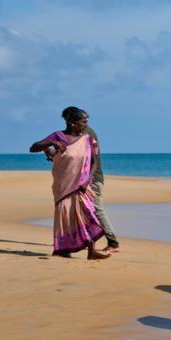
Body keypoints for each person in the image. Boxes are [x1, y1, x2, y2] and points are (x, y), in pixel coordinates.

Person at [29, 107, 111, 260]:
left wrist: (87, 180)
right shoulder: (58, 136)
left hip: (82, 185)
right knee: (66, 216)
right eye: (83, 122)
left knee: (87, 214)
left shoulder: (87, 139)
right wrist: (51, 143)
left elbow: (93, 163)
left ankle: (92, 251)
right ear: (72, 123)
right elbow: (33, 148)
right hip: (63, 185)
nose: (86, 125)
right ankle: (64, 249)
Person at [66, 107, 120, 251]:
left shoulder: (85, 133)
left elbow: (88, 158)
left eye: (67, 119)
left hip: (92, 178)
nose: (66, 123)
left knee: (97, 209)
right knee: (79, 210)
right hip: (81, 179)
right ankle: (81, 240)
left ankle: (113, 242)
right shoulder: (77, 133)